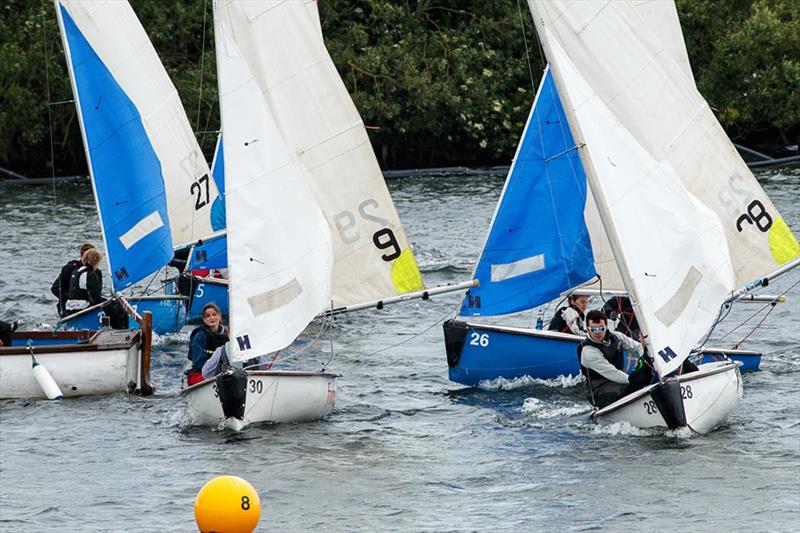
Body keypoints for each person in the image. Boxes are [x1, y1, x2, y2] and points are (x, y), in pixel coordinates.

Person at [578, 309, 654, 408]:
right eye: (593, 330)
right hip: (600, 390)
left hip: (619, 382)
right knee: (634, 387)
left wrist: (647, 357)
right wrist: (637, 383)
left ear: (606, 326)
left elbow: (637, 347)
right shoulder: (588, 352)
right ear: (588, 330)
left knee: (646, 367)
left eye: (601, 329)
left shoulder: (617, 337)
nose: (597, 333)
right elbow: (614, 373)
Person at [64, 248, 128, 328]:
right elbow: (95, 298)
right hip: (82, 305)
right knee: (116, 307)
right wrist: (110, 301)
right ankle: (120, 330)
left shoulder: (76, 271)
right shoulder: (91, 274)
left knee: (109, 304)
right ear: (96, 261)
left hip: (70, 306)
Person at [186, 303, 229, 385]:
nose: (212, 318)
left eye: (214, 314)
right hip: (202, 372)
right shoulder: (200, 335)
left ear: (219, 316)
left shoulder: (227, 334)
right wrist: (216, 370)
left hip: (224, 371)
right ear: (204, 320)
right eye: (208, 316)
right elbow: (198, 362)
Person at [51, 243, 96, 316]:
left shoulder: (95, 272)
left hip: (88, 305)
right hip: (69, 307)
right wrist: (69, 298)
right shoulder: (70, 268)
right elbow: (55, 288)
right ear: (82, 256)